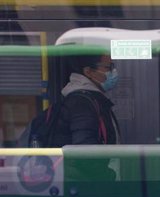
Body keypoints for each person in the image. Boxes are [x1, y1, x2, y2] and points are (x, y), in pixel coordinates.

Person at [52, 53, 122, 181]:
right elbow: (84, 153)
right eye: (108, 67)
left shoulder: (91, 99)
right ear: (89, 72)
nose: (114, 72)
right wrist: (108, 176)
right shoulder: (81, 104)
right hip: (86, 185)